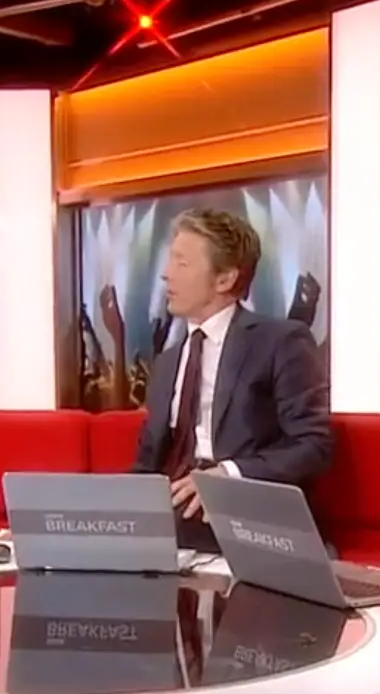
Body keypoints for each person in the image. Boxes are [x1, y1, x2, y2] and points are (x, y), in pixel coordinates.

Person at [130, 208, 333, 551]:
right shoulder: (167, 362)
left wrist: (229, 475)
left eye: (181, 263)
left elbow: (313, 446)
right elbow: (147, 465)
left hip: (252, 520)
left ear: (224, 279)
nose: (165, 274)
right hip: (175, 521)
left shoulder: (279, 342)